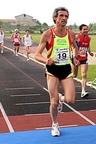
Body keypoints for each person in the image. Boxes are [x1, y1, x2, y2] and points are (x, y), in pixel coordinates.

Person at [34, 7, 79, 137]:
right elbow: (37, 54)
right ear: (55, 18)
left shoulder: (71, 34)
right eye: (61, 16)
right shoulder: (48, 34)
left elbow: (74, 48)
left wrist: (74, 57)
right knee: (53, 103)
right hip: (52, 70)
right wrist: (46, 60)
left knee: (70, 100)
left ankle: (61, 98)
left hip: (66, 70)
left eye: (66, 16)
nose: (64, 18)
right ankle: (54, 124)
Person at [72, 24, 94, 98]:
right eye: (84, 29)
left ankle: (83, 91)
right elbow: (72, 47)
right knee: (74, 75)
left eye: (86, 29)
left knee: (84, 74)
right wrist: (78, 53)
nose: (86, 30)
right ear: (80, 30)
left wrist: (90, 52)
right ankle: (64, 81)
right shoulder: (77, 37)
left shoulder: (89, 38)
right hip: (76, 58)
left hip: (84, 58)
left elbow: (87, 46)